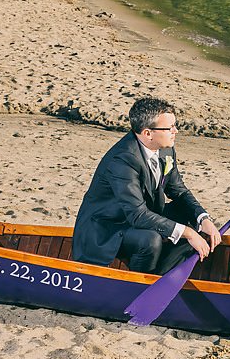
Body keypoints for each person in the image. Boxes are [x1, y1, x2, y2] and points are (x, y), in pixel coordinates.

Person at [72, 97, 221, 274]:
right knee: (151, 240)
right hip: (108, 227)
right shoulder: (123, 159)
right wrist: (188, 233)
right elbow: (137, 215)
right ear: (148, 133)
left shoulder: (165, 147)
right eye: (169, 128)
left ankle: (161, 275)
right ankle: (140, 285)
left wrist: (202, 218)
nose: (176, 131)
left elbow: (177, 190)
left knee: (189, 217)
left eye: (175, 125)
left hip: (137, 215)